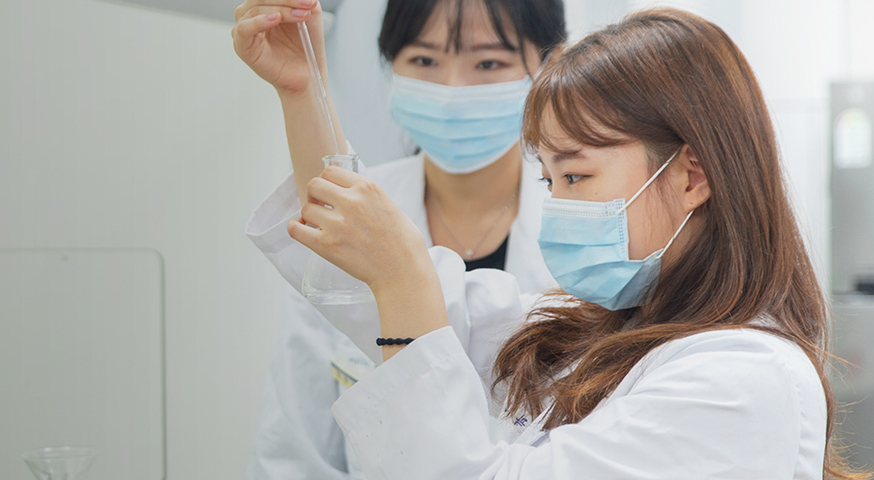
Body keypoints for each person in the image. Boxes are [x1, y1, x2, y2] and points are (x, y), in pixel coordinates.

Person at [282, 8, 870, 480]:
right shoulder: (612, 333)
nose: (557, 206)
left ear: (691, 176)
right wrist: (302, 91)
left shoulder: (739, 380)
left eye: (576, 176)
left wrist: (402, 281)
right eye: (549, 181)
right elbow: (398, 293)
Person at [232, 0, 566, 478]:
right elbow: (292, 450)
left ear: (552, 64)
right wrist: (304, 93)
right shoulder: (352, 223)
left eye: (489, 63)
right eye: (425, 60)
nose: (452, 90)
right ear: (390, 62)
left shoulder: (587, 230)